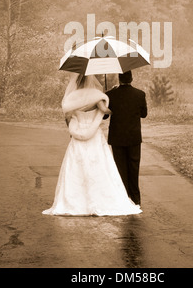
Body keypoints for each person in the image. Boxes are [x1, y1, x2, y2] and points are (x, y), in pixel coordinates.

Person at [42, 73, 141, 217]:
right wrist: (107, 100)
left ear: (76, 82)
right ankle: (101, 199)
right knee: (100, 167)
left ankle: (74, 201)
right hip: (94, 136)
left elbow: (68, 117)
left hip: (78, 135)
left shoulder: (72, 97)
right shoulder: (96, 95)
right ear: (91, 80)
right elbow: (106, 111)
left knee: (76, 167)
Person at [104, 70, 147, 206]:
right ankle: (136, 199)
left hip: (117, 138)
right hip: (133, 137)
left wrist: (105, 96)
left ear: (119, 79)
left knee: (120, 168)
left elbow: (105, 116)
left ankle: (123, 198)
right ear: (132, 78)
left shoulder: (110, 95)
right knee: (134, 168)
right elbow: (143, 114)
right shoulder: (140, 94)